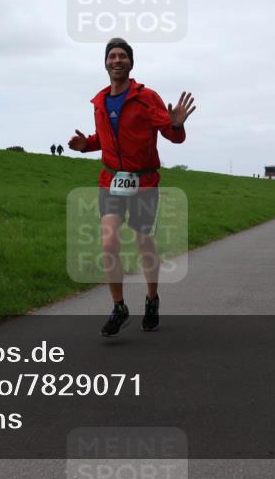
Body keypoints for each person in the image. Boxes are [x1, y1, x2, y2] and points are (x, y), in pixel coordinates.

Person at [68, 37, 196, 337]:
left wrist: (176, 124)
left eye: (122, 55)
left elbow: (173, 136)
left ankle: (152, 299)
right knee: (109, 242)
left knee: (143, 243)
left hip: (144, 181)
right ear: (105, 63)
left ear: (130, 62)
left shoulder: (146, 97)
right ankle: (119, 307)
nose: (116, 60)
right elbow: (105, 138)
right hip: (111, 181)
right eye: (111, 56)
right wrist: (86, 144)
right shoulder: (100, 102)